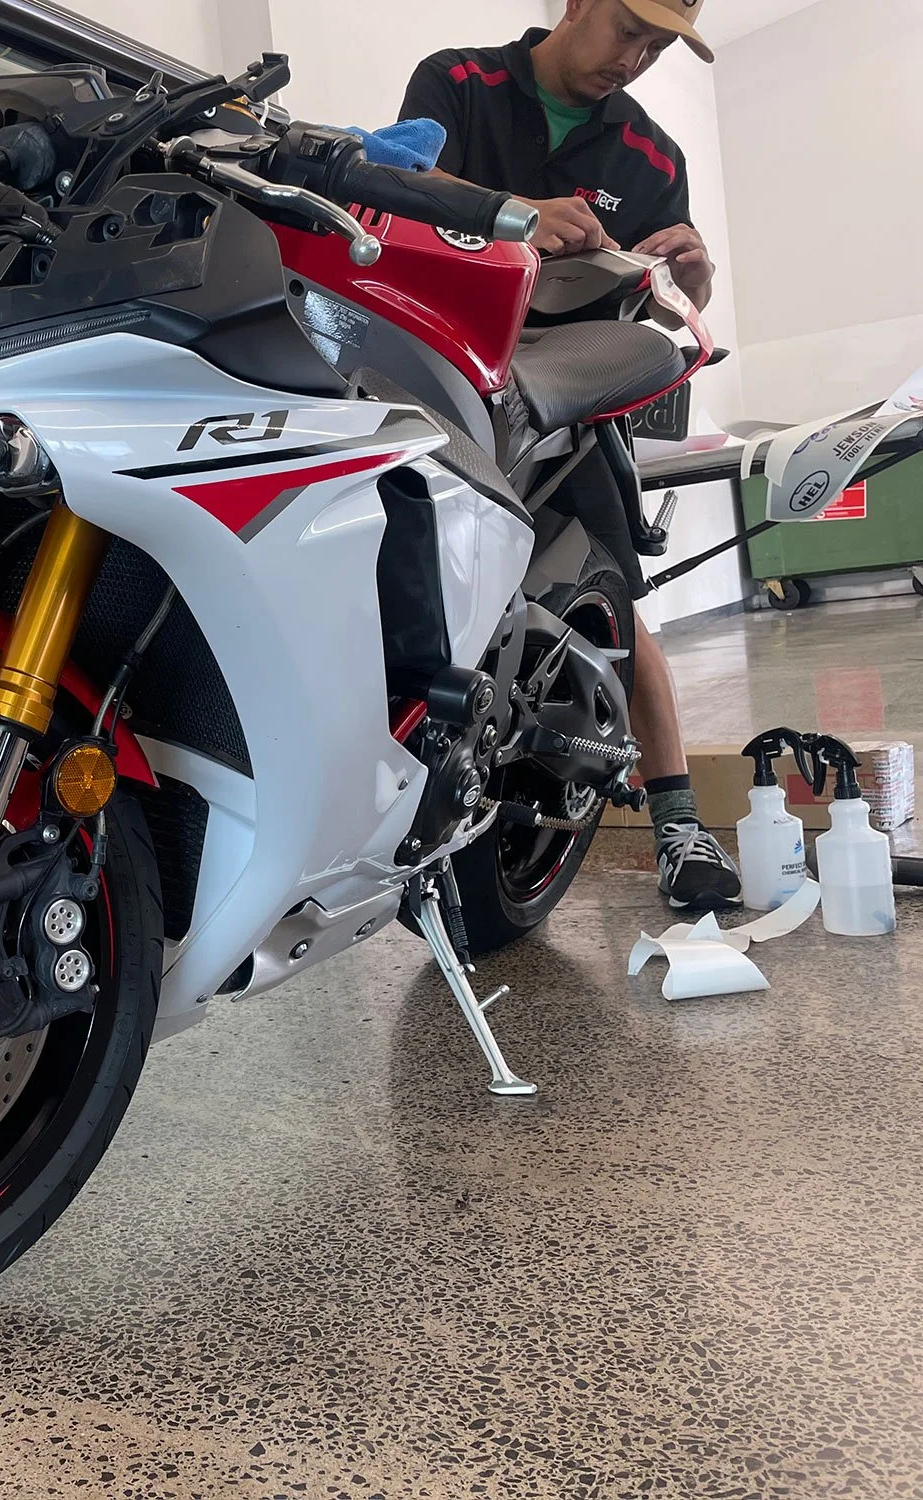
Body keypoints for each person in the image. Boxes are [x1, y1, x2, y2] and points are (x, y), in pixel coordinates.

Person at [400, 0, 740, 911]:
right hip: (448, 383)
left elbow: (660, 309)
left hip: (576, 405)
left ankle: (678, 825)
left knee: (617, 597)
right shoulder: (456, 83)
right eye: (629, 30)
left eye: (658, 46)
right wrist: (508, 219)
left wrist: (686, 283)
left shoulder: (654, 157)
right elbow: (394, 207)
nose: (635, 58)